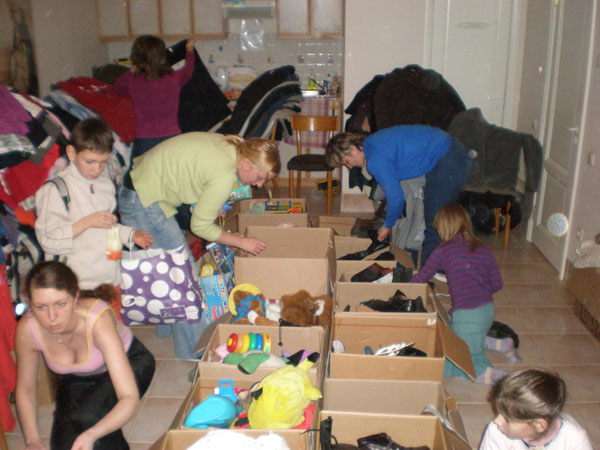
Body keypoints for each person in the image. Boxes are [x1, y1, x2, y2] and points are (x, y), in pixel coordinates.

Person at [117, 132, 281, 358]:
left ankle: (167, 330)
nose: (259, 184)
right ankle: (195, 352)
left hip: (140, 186)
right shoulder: (224, 176)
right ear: (245, 163)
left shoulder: (233, 144)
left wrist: (205, 201)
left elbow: (194, 171)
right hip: (143, 200)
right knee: (182, 275)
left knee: (164, 269)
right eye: (260, 177)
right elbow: (200, 227)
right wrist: (243, 242)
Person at [15, 261, 156, 450]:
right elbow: (26, 388)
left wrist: (92, 434)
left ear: (75, 298)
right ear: (29, 304)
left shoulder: (97, 320)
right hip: (79, 377)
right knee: (64, 444)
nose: (52, 317)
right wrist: (32, 441)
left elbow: (129, 398)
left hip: (132, 360)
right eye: (40, 307)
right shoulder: (27, 330)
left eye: (60, 304)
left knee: (92, 425)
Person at [34, 118, 153, 316]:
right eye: (89, 162)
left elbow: (108, 226)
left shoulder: (104, 185)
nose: (97, 169)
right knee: (89, 335)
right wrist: (88, 222)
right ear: (72, 153)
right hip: (76, 287)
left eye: (103, 162)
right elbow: (48, 239)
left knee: (114, 331)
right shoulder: (55, 190)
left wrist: (130, 234)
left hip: (110, 281)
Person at [325, 124, 471, 266]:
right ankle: (435, 265)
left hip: (448, 159)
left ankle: (430, 272)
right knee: (434, 218)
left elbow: (396, 198)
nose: (350, 167)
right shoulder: (372, 143)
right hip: (448, 151)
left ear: (353, 149)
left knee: (435, 222)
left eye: (347, 162)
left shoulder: (375, 160)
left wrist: (388, 225)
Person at [411, 204, 508, 384]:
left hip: (467, 317)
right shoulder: (482, 247)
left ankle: (498, 378)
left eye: (439, 228)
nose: (438, 232)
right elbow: (497, 284)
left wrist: (402, 288)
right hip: (487, 312)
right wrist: (475, 291)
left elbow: (422, 277)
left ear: (445, 227)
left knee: (461, 359)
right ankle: (496, 350)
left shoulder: (443, 250)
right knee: (467, 348)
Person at [114, 35, 195, 161]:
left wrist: (134, 68)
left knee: (139, 173)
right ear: (162, 56)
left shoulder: (132, 81)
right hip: (172, 138)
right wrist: (189, 50)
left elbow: (118, 87)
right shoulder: (174, 78)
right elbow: (188, 71)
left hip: (145, 140)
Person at [480, 369, 593, 449]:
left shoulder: (574, 438)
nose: (497, 421)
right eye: (499, 412)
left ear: (538, 425)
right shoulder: (496, 431)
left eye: (507, 419)